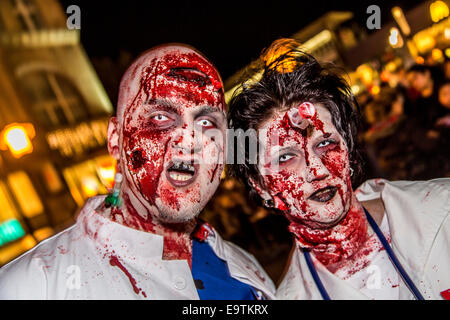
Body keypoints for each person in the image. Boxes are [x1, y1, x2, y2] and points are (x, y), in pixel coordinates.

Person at [0, 44, 275, 300]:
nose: (189, 140)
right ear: (116, 140)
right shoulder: (33, 285)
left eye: (206, 121)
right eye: (160, 118)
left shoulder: (246, 268)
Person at [228, 39, 450, 300]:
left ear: (347, 147)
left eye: (325, 143)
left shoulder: (442, 210)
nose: (317, 169)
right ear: (261, 185)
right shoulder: (294, 296)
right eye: (286, 157)